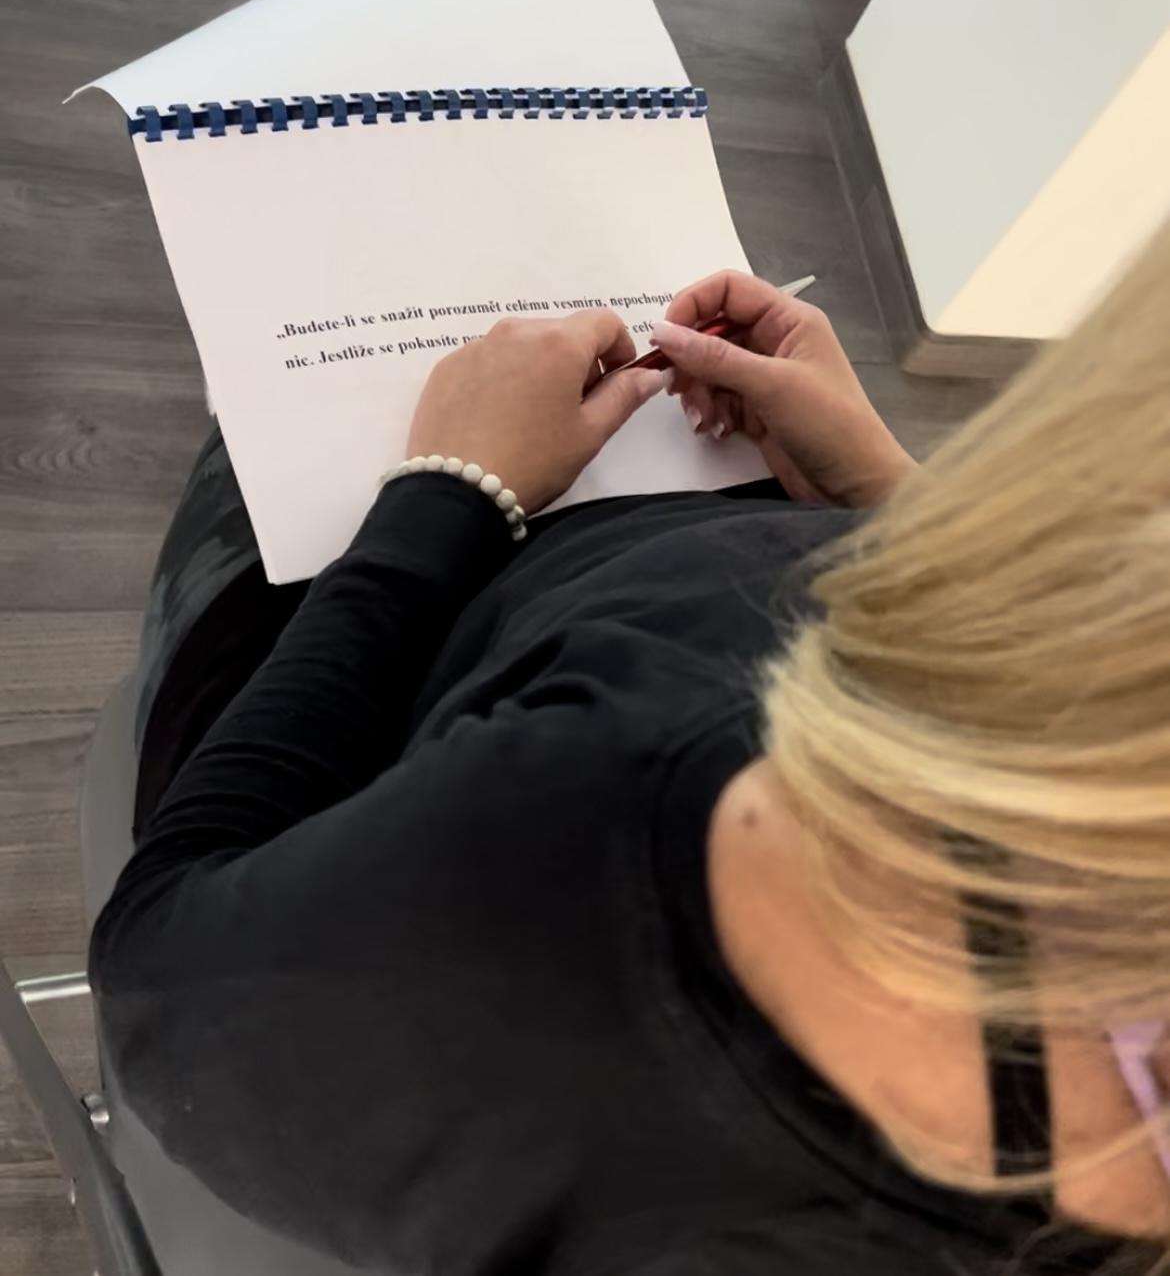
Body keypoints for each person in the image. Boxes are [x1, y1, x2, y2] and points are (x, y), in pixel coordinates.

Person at [89, 230, 1170, 1276]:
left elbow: (159, 979)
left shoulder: (609, 843)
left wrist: (449, 490)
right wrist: (893, 507)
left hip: (368, 644)